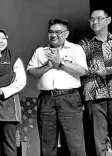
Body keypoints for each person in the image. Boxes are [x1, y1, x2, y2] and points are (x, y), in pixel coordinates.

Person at [27, 19, 88, 156]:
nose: (54, 35)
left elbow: (82, 71)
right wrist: (48, 65)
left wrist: (59, 62)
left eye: (58, 32)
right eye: (51, 32)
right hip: (46, 99)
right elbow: (31, 72)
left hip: (69, 98)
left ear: (66, 34)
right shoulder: (40, 51)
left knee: (75, 143)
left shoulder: (75, 49)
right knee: (47, 144)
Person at [79, 9, 112, 156]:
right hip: (94, 95)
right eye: (91, 19)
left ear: (108, 20)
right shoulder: (84, 44)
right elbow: (79, 69)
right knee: (98, 141)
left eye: (99, 18)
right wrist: (100, 72)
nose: (95, 22)